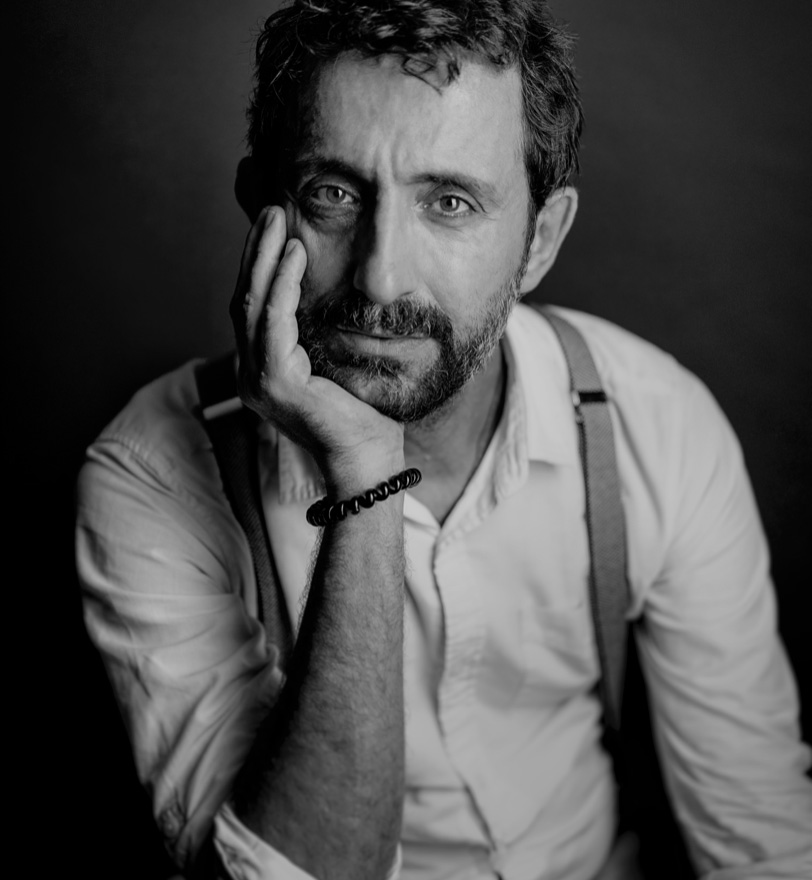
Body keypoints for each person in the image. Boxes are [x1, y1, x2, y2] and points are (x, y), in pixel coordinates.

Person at [75, 1, 812, 878]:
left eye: (450, 202)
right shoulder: (152, 473)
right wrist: (364, 474)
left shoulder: (655, 424)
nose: (381, 277)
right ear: (260, 206)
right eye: (334, 193)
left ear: (539, 239)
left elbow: (760, 836)